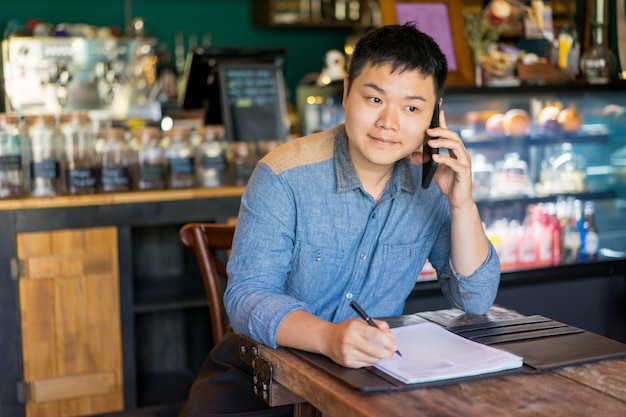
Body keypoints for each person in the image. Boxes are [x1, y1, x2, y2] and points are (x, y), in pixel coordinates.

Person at [179, 22, 501, 417]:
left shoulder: (431, 183)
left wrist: (462, 202)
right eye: (374, 99)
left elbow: (475, 298)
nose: (389, 122)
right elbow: (247, 298)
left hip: (371, 379)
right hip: (262, 380)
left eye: (412, 108)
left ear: (435, 117)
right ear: (347, 91)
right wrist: (331, 338)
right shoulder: (283, 175)